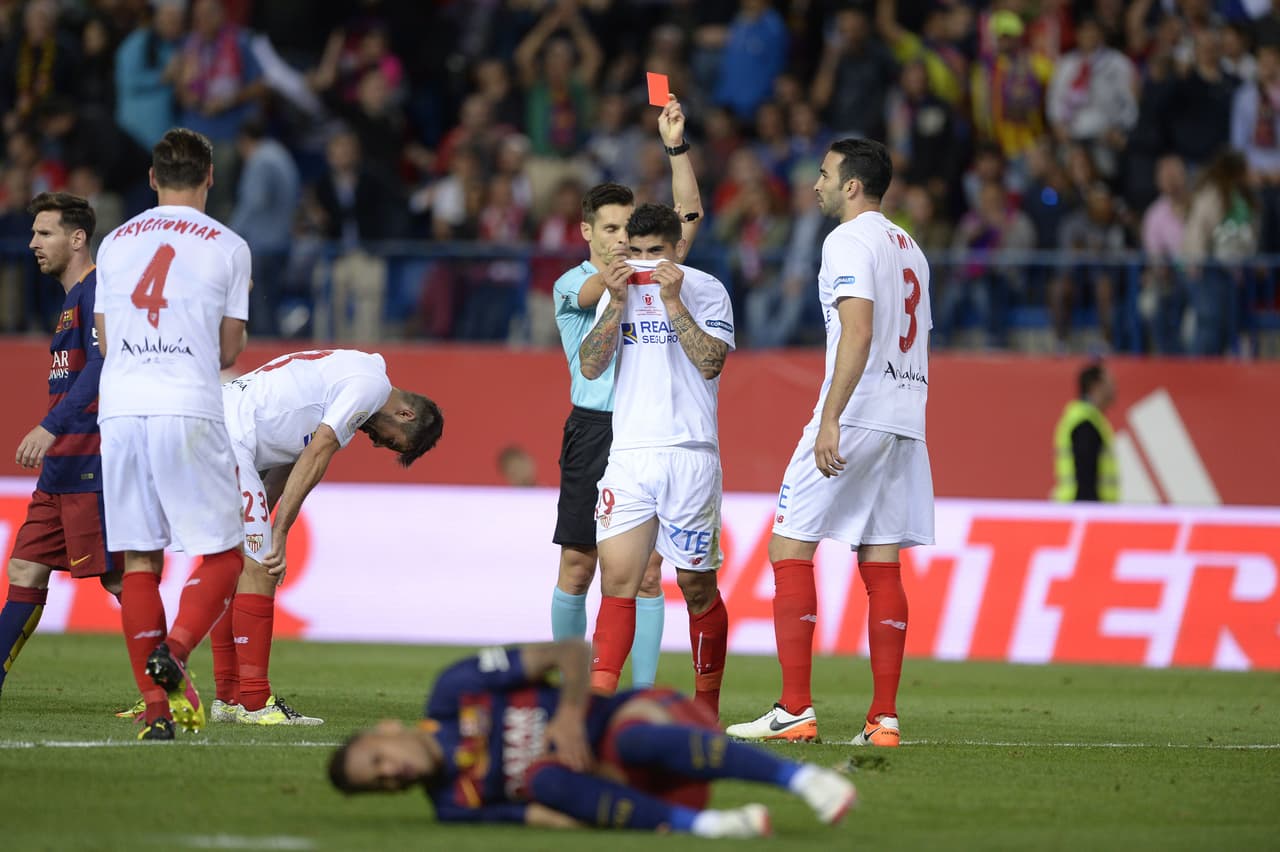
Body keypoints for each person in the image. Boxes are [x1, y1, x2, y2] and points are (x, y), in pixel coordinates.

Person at [726, 139, 935, 746]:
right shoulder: (910, 247)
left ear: (850, 185)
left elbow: (859, 328)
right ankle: (884, 720)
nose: (815, 185)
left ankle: (795, 708)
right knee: (881, 556)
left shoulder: (846, 239)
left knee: (788, 545)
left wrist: (831, 416)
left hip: (859, 408)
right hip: (907, 414)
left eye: (823, 175)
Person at [117, 349, 445, 725]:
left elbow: (288, 464)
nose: (378, 444)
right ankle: (255, 703)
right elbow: (317, 453)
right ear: (406, 414)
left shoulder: (350, 379)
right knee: (261, 568)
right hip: (225, 438)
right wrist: (279, 533)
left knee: (238, 563)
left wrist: (260, 525)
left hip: (206, 430)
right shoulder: (370, 387)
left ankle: (229, 697)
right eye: (392, 442)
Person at [328, 639, 855, 837]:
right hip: (633, 796)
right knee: (545, 779)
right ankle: (710, 827)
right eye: (379, 783)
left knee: (627, 742)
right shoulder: (452, 804)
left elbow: (571, 653)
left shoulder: (454, 689)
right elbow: (538, 815)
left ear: (387, 730)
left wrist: (570, 716)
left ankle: (803, 779)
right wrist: (583, 806)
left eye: (377, 759)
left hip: (655, 721)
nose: (389, 772)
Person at [94, 127, 250, 741]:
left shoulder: (114, 242)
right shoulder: (229, 246)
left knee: (139, 559)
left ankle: (157, 715)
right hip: (186, 402)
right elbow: (230, 347)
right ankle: (178, 652)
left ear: (152, 178)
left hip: (121, 405)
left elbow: (105, 341)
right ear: (210, 177)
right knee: (222, 554)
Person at [551, 96, 704, 690]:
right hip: (594, 429)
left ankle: (637, 695)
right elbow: (591, 295)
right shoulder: (573, 284)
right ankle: (568, 682)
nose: (620, 241)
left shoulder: (649, 271)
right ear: (588, 231)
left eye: (627, 228)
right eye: (609, 229)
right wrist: (616, 284)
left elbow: (686, 216)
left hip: (647, 434)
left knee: (646, 574)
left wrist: (674, 147)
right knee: (577, 563)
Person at [579, 203, 734, 718]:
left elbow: (711, 362)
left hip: (690, 454)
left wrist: (672, 302)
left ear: (677, 249)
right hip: (629, 456)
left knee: (695, 587)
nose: (644, 261)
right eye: (636, 251)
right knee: (618, 581)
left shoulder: (706, 288)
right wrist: (618, 302)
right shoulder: (616, 290)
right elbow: (592, 364)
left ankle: (706, 709)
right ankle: (599, 707)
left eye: (655, 252)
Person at [0, 192, 120, 700]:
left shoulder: (97, 290)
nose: (32, 244)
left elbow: (102, 366)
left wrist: (50, 426)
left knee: (119, 581)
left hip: (89, 461)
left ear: (77, 238)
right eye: (32, 233)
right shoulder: (70, 300)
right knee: (25, 567)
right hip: (61, 468)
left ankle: (174, 683)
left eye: (43, 233)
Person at [1052, 362, 1118, 503]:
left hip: (1081, 509)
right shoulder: (1085, 423)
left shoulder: (1089, 419)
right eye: (1110, 382)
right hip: (1082, 508)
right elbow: (1085, 475)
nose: (1114, 388)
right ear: (1095, 385)